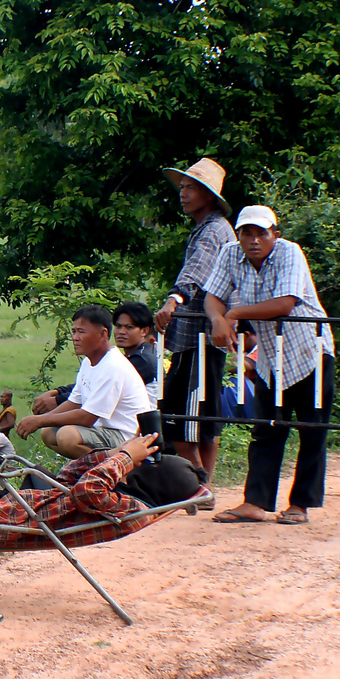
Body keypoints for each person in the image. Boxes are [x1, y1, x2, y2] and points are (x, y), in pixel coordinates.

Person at [203, 206, 335, 525]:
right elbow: (213, 296)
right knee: (266, 429)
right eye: (247, 232)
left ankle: (300, 504)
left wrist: (232, 316)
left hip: (309, 351)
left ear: (275, 233)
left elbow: (285, 303)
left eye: (262, 232)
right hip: (271, 356)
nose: (254, 240)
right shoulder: (230, 253)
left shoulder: (290, 252)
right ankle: (255, 502)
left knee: (312, 429)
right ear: (238, 235)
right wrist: (218, 319)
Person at [0, 434, 205, 546]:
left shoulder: (134, 510)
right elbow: (68, 475)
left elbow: (86, 491)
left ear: (156, 482)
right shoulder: (116, 493)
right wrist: (114, 452)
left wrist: (124, 460)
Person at [153, 158, 236, 480]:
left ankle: (200, 481)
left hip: (199, 336)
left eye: (192, 188)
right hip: (202, 336)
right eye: (183, 187)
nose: (183, 194)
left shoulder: (213, 231)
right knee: (202, 412)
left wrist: (174, 300)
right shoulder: (209, 228)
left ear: (210, 196)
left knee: (181, 416)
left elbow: (196, 272)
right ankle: (204, 482)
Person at [15, 306, 150, 459]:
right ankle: (90, 468)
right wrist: (39, 422)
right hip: (104, 430)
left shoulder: (113, 366)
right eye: (74, 331)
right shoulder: (89, 362)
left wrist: (39, 420)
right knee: (49, 432)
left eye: (81, 332)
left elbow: (87, 417)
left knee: (67, 436)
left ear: (103, 334)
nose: (75, 337)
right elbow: (75, 402)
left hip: (127, 436)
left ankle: (109, 469)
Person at [113, 301, 162, 404]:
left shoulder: (142, 359)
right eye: (118, 326)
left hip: (143, 418)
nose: (121, 332)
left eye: (129, 327)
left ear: (144, 331)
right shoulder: (142, 352)